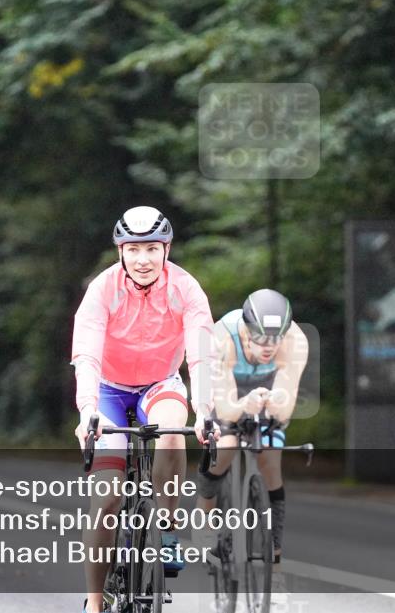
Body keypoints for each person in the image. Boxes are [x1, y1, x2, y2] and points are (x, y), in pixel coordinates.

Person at [72, 206, 218, 613]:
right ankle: (96, 602)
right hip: (108, 390)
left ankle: (167, 529)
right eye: (133, 249)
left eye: (152, 248)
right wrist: (87, 411)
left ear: (167, 248)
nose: (143, 259)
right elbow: (86, 354)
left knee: (173, 430)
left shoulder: (186, 288)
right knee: (107, 500)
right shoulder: (103, 289)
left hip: (159, 384)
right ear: (120, 250)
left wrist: (205, 409)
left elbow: (201, 355)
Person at [196, 289, 308, 564]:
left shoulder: (295, 341)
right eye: (259, 337)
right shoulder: (223, 338)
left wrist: (274, 405)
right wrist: (244, 404)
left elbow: (285, 402)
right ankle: (206, 505)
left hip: (266, 389)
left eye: (275, 338)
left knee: (269, 459)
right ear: (246, 331)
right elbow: (225, 409)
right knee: (226, 447)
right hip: (226, 391)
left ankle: (274, 540)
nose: (268, 345)